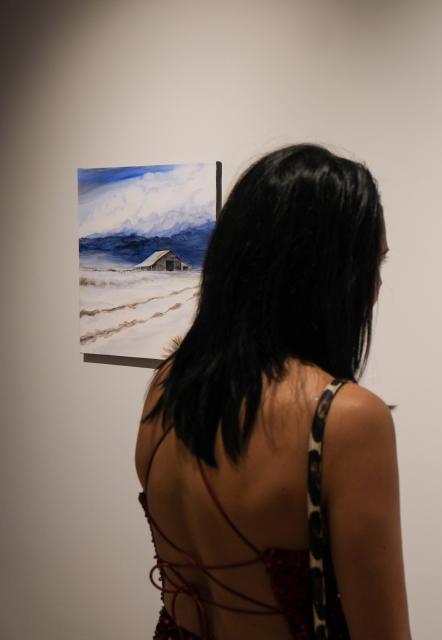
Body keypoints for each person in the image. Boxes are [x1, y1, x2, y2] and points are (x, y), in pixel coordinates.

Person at [135, 144, 411, 640]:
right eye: (374, 263)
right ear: (329, 274)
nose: (375, 289)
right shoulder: (345, 419)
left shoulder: (168, 384)